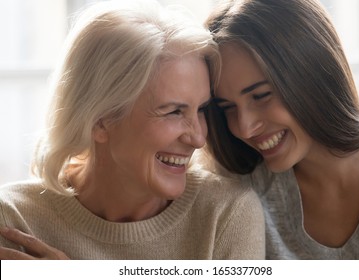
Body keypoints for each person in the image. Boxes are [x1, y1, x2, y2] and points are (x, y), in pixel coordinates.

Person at [0, 0, 265, 260]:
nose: (197, 138)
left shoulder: (226, 214)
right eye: (174, 111)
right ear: (100, 120)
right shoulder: (13, 219)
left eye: (202, 109)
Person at [204, 0, 359, 259]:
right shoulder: (242, 194)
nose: (244, 128)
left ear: (311, 74)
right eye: (227, 107)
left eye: (260, 96)